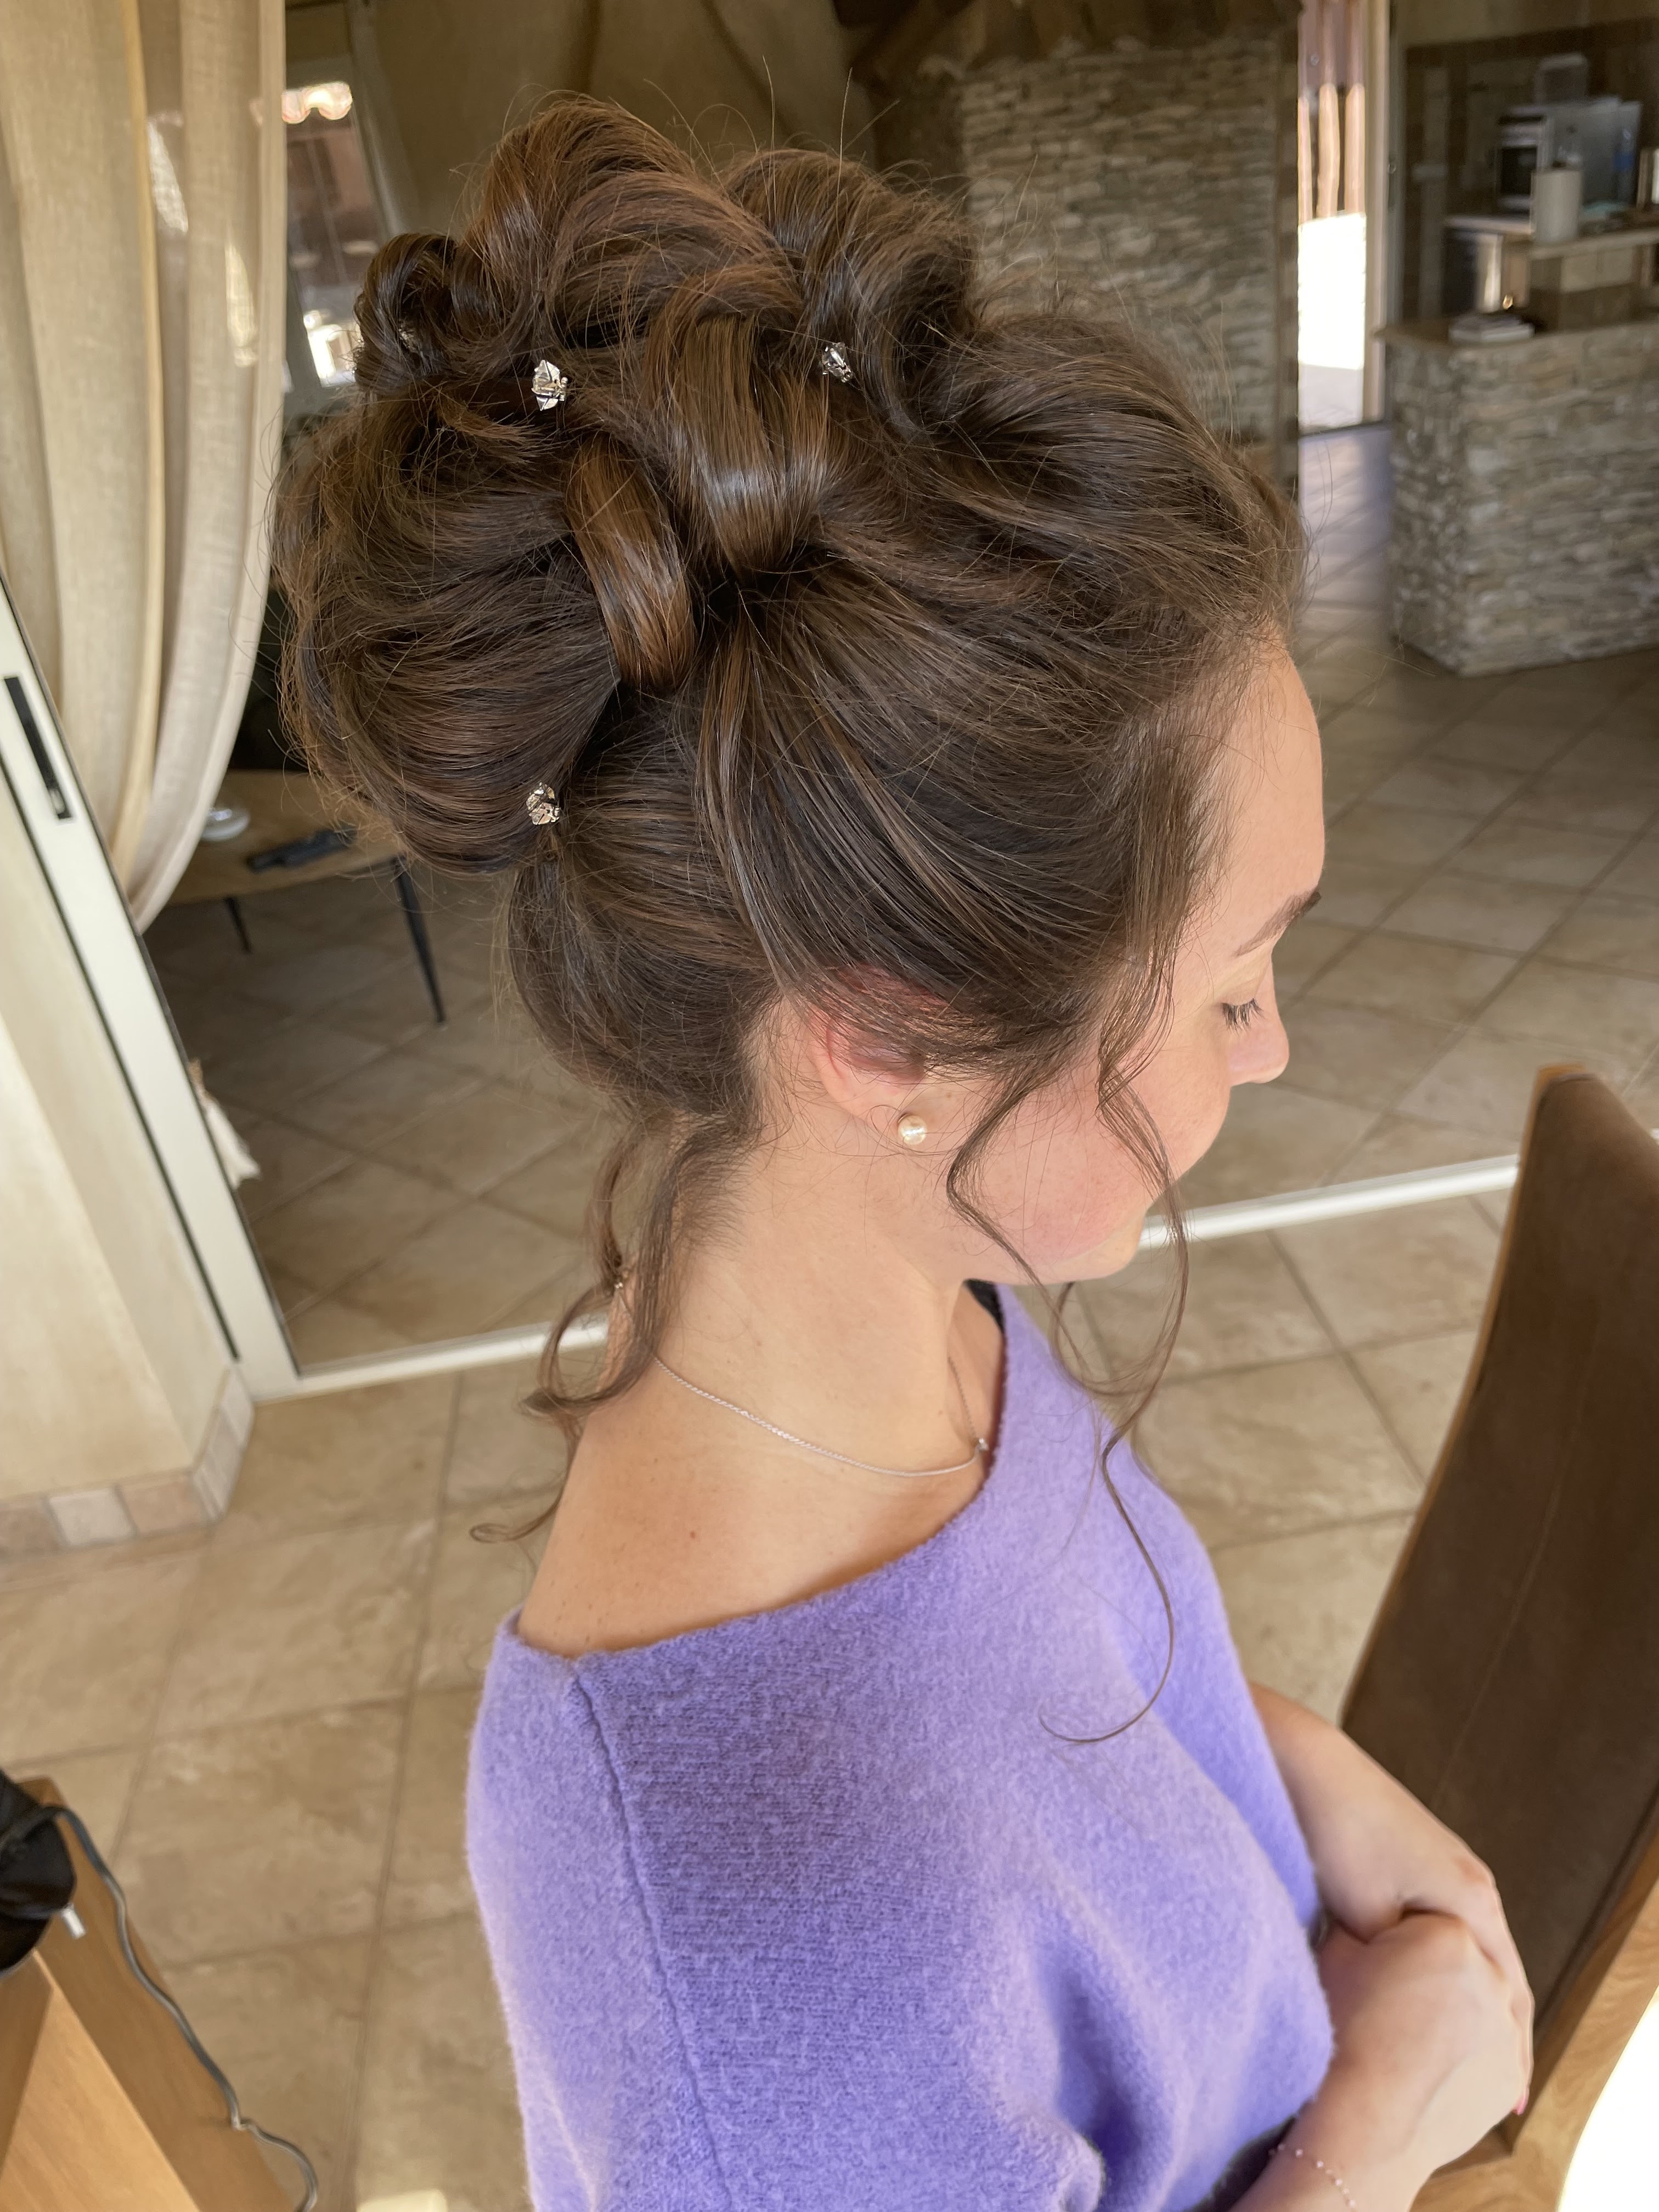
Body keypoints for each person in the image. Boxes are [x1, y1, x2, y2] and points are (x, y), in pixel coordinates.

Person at [276, 96, 1532, 2212]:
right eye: (1232, 987)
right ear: (889, 1033)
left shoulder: (896, 1310)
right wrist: (1372, 2138)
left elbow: (1055, 1675)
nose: (1276, 1047)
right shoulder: (765, 1966)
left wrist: (1280, 1766)